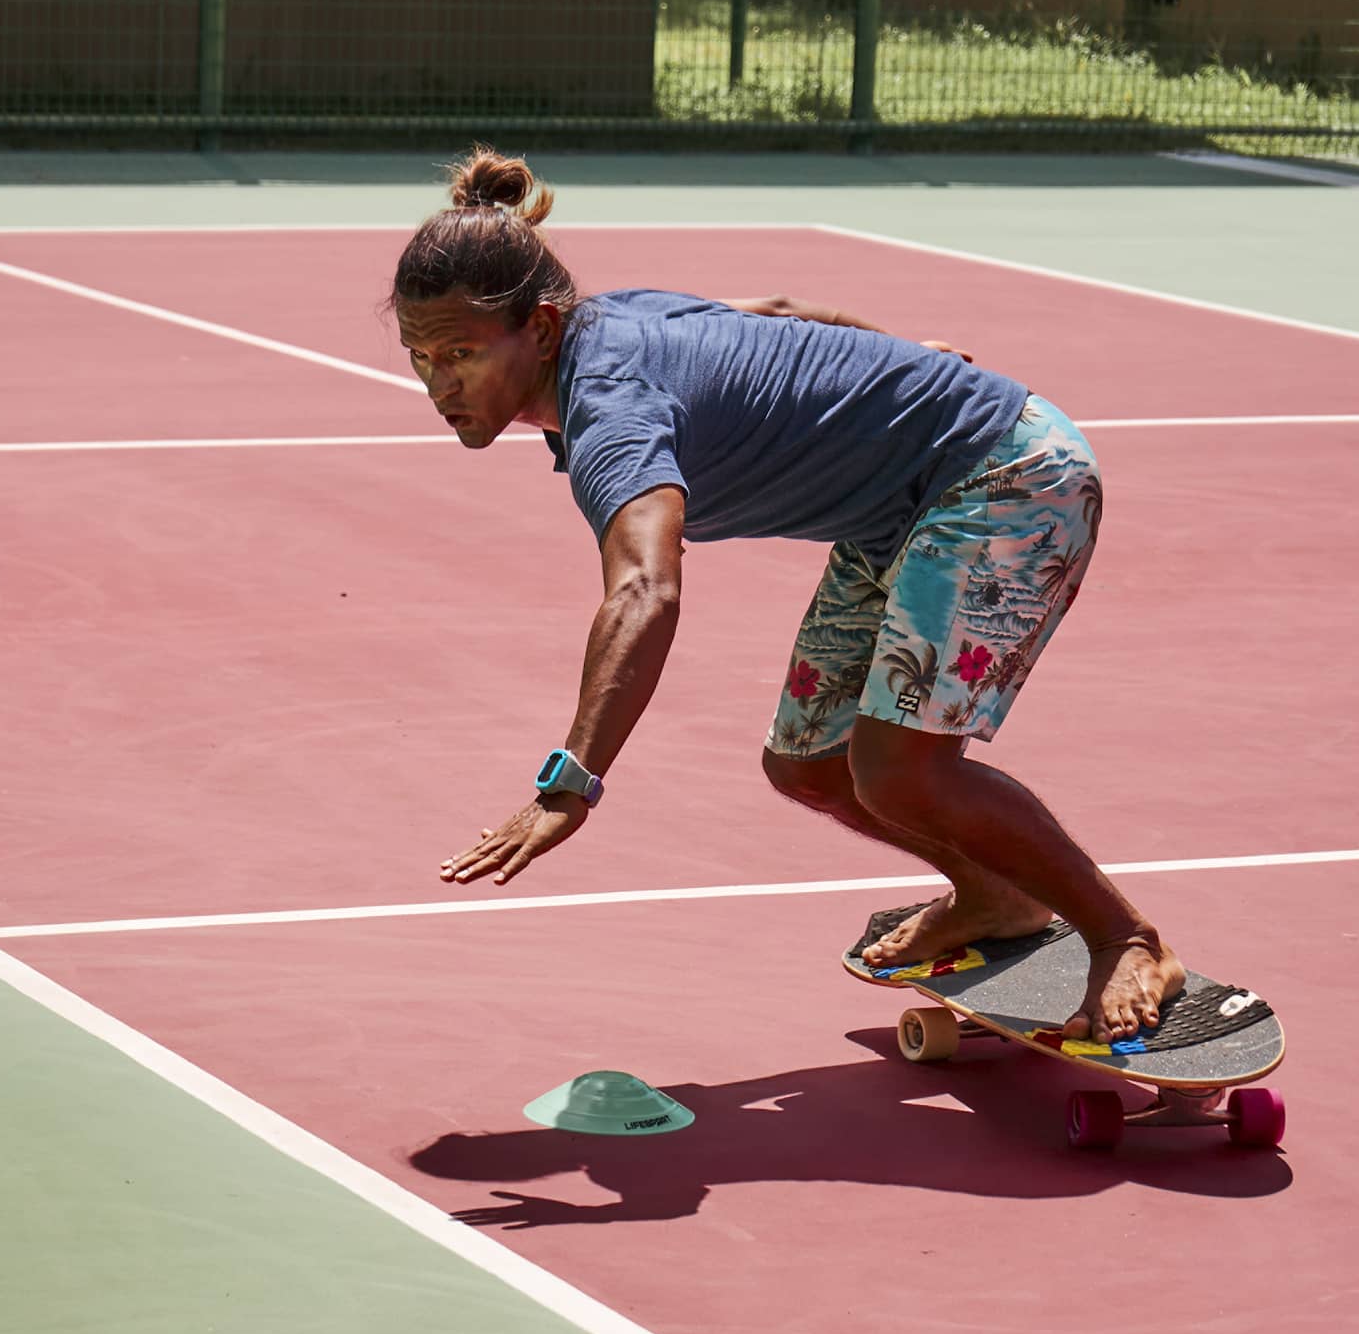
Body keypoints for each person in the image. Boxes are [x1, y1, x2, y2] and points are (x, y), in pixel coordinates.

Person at [391, 147, 1184, 1045]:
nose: (437, 383)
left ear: (538, 328)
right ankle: (996, 894)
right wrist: (891, 359)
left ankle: (1126, 935)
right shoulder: (607, 320)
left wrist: (570, 781)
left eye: (460, 353)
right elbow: (779, 314)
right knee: (809, 764)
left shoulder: (610, 413)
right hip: (901, 507)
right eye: (421, 355)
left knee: (901, 770)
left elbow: (646, 590)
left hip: (1005, 473)